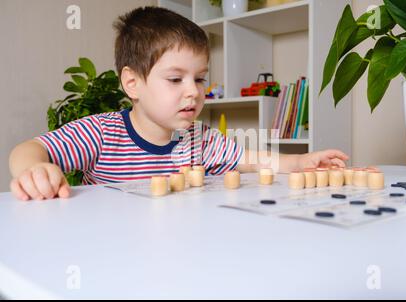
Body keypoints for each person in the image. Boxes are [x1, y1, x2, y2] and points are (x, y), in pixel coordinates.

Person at [8, 6, 348, 201]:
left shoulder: (200, 140)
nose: (194, 92)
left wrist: (303, 160)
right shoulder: (101, 132)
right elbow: (29, 149)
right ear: (132, 83)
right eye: (175, 79)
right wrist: (34, 170)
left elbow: (254, 160)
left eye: (199, 78)